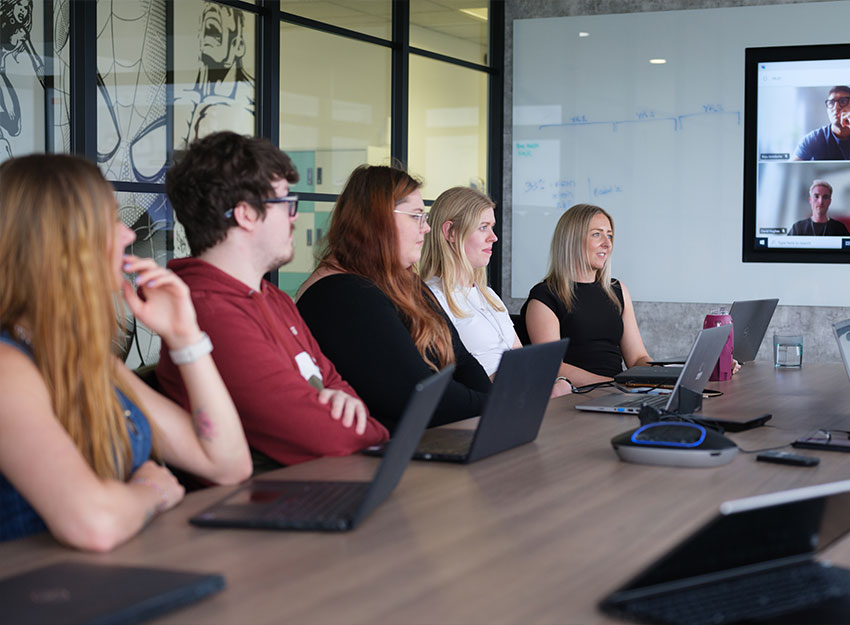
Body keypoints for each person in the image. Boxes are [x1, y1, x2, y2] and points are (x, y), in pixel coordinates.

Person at [0, 154, 251, 549]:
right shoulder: (8, 369)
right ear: (62, 243)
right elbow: (93, 523)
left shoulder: (85, 359)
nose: (127, 234)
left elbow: (227, 463)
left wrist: (185, 337)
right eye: (109, 220)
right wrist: (153, 490)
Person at [157, 132, 388, 469]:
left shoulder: (273, 297)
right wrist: (370, 430)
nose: (294, 216)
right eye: (285, 203)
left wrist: (354, 416)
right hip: (266, 505)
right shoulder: (208, 313)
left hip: (328, 481)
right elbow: (329, 437)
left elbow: (337, 385)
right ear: (246, 214)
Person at [296, 166, 491, 432]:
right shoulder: (341, 294)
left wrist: (495, 404)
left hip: (438, 436)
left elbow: (462, 359)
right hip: (396, 453)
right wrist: (496, 405)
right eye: (416, 217)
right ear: (378, 220)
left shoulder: (404, 280)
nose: (427, 228)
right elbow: (417, 396)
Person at [419, 187, 571, 397]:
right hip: (488, 405)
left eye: (492, 227)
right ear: (450, 233)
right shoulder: (431, 298)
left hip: (520, 398)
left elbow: (523, 360)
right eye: (483, 227)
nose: (494, 237)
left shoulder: (488, 294)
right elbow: (451, 378)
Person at [520, 203, 651, 388]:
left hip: (617, 394)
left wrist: (663, 378)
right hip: (575, 398)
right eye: (597, 234)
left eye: (610, 235)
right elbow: (552, 366)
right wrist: (615, 384)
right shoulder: (544, 297)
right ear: (572, 240)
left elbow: (637, 357)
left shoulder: (617, 290)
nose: (607, 243)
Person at [793, 86, 850, 161]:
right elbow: (792, 168)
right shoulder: (813, 139)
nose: (836, 107)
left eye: (843, 101)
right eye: (831, 103)